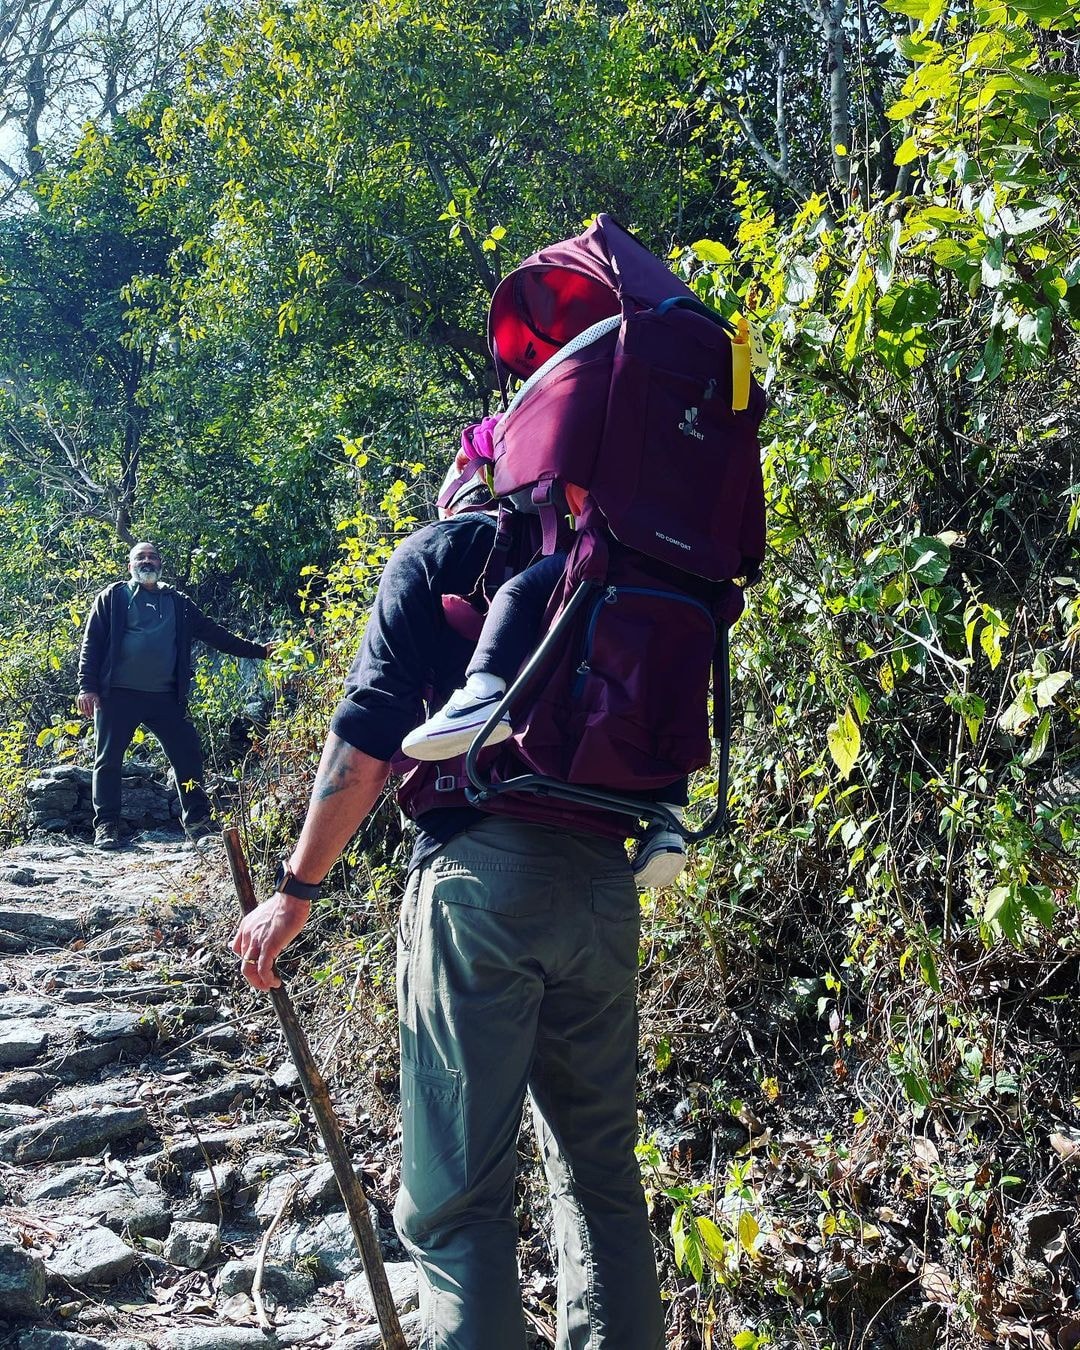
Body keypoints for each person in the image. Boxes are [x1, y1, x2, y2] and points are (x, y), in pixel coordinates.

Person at [232, 506, 667, 1350]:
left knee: (460, 1200)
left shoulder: (438, 554)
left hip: (477, 882)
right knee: (603, 1182)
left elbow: (361, 753)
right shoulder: (628, 553)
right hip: (604, 884)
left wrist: (294, 893)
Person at [77, 541, 276, 849]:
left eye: (152, 556)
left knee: (187, 755)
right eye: (140, 557)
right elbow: (93, 643)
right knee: (108, 760)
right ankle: (107, 827)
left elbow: (214, 634)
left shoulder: (178, 602)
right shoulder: (113, 597)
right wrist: (87, 686)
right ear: (130, 565)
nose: (146, 561)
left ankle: (197, 822)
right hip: (118, 695)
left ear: (160, 563)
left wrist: (259, 651)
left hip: (166, 697)